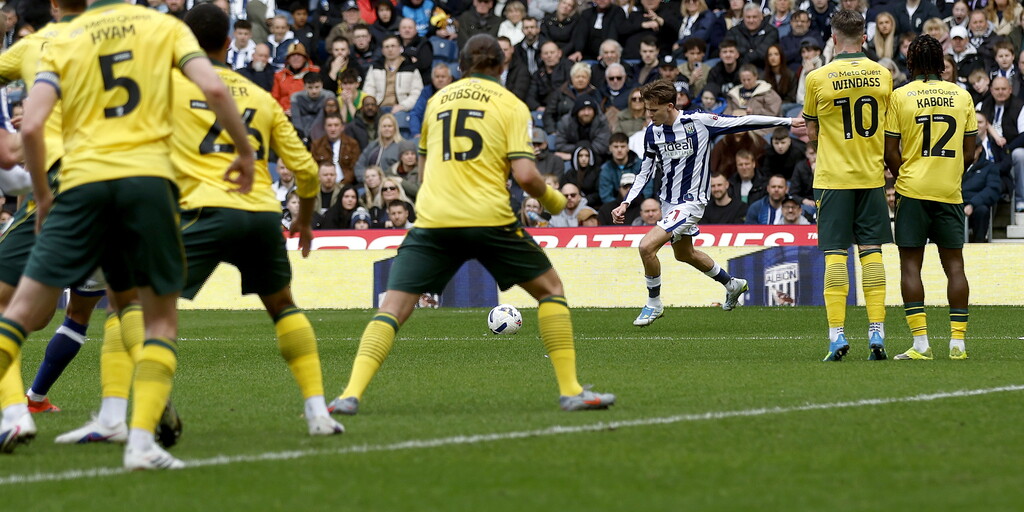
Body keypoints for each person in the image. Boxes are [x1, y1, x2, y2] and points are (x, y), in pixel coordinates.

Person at [1, 0, 255, 469]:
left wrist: (42, 196)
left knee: (17, 312)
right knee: (153, 317)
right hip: (146, 185)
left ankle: (28, 410)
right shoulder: (162, 27)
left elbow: (32, 125)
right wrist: (244, 151)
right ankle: (140, 444)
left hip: (80, 185)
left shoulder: (61, 40)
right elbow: (216, 91)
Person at [327, 34, 614, 416]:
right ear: (501, 67)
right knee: (551, 290)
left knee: (393, 307)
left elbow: (427, 174)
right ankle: (571, 390)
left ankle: (349, 394)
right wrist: (557, 202)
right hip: (489, 218)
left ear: (461, 66)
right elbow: (527, 175)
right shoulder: (511, 104)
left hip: (435, 221)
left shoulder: (436, 103)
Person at [612, 79, 801, 326]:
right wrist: (626, 202)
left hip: (691, 202)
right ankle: (732, 284)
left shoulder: (698, 122)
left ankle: (654, 303)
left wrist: (787, 121)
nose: (648, 114)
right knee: (685, 254)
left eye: (652, 109)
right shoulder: (652, 132)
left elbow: (741, 121)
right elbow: (645, 172)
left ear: (669, 106)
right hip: (668, 203)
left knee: (647, 247)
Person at [801, 10, 893, 362]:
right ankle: (877, 330)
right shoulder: (883, 75)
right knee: (872, 251)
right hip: (871, 178)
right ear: (865, 38)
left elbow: (811, 134)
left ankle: (837, 335)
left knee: (836, 253)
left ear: (834, 38)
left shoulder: (817, 78)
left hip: (833, 178)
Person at [884, 34, 977, 361]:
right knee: (954, 265)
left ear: (910, 62)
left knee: (911, 264)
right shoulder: (961, 95)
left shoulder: (901, 96)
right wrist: (951, 175)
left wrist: (903, 177)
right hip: (949, 191)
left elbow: (890, 151)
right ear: (941, 62)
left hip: (912, 190)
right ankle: (958, 344)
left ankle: (921, 344)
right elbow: (970, 151)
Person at [363, 35, 424, 114]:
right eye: (387, 47)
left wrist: (403, 106)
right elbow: (369, 88)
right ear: (382, 50)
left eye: (393, 46)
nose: (390, 49)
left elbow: (417, 92)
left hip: (402, 108)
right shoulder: (375, 67)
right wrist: (372, 105)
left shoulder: (410, 68)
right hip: (378, 107)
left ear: (400, 48)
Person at [311, 113, 361, 185]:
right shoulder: (317, 145)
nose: (333, 129)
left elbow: (354, 168)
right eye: (329, 125)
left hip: (347, 185)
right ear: (324, 127)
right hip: (322, 185)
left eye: (336, 125)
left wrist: (342, 184)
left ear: (342, 127)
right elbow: (314, 168)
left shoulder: (352, 144)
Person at [272, 42, 320, 115]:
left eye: (299, 55)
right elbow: (274, 99)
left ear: (305, 58)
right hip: (283, 115)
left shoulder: (315, 72)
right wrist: (282, 112)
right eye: (292, 55)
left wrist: (299, 110)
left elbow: (319, 97)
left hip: (307, 115)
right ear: (288, 59)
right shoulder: (279, 76)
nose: (296, 58)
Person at [290, 73, 337, 138]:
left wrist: (311, 135)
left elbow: (321, 117)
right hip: (301, 132)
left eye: (317, 87)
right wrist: (300, 134)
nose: (314, 91)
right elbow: (296, 119)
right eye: (310, 87)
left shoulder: (329, 96)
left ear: (322, 85)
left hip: (321, 132)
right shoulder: (296, 97)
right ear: (304, 86)